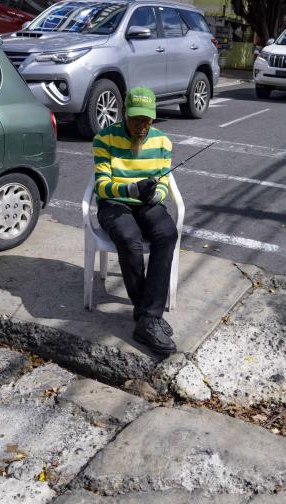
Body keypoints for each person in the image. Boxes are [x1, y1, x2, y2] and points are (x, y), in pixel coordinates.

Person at [92, 87, 178, 355]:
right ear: (123, 114)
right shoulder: (104, 139)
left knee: (167, 234)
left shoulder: (162, 142)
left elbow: (164, 179)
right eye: (136, 119)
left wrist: (156, 194)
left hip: (147, 203)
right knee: (129, 240)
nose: (142, 126)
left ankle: (147, 318)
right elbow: (102, 186)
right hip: (114, 203)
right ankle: (148, 316)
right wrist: (129, 190)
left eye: (147, 120)